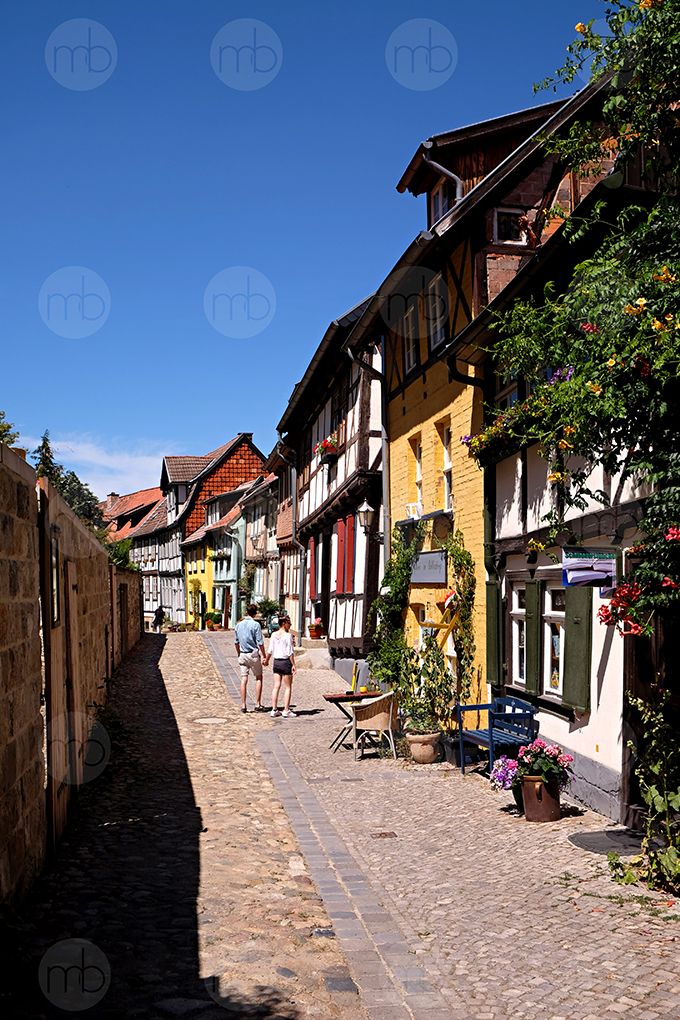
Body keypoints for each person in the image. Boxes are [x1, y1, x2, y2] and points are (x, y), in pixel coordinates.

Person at [234, 604, 267, 713]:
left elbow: (236, 642)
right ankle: (257, 704)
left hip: (243, 654)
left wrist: (239, 653)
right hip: (253, 654)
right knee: (258, 677)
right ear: (255, 613)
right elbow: (260, 642)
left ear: (246, 612)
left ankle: (244, 705)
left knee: (243, 679)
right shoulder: (256, 625)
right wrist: (264, 655)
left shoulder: (238, 625)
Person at [265, 615, 297, 718]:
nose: (290, 625)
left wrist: (267, 660)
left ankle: (274, 709)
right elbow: (290, 652)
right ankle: (286, 710)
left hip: (276, 662)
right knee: (287, 687)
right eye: (289, 623)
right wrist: (293, 664)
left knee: (276, 686)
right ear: (284, 623)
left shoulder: (273, 635)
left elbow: (270, 650)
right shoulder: (288, 636)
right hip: (285, 662)